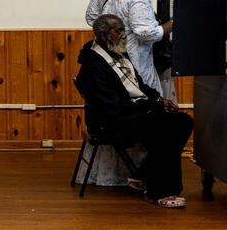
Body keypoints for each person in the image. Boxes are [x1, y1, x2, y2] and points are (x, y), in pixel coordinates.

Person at [76, 15, 193, 208]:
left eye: (123, 30)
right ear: (104, 36)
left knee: (183, 121)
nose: (124, 35)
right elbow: (112, 108)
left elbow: (137, 84)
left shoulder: (116, 51)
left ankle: (145, 175)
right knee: (169, 128)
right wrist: (153, 106)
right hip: (111, 123)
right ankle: (160, 192)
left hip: (132, 112)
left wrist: (158, 98)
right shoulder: (93, 65)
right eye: (119, 31)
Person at [82, 0, 174, 186]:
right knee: (145, 107)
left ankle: (113, 176)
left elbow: (92, 16)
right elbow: (146, 33)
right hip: (135, 63)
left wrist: (110, 31)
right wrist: (170, 26)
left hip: (110, 59)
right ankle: (141, 174)